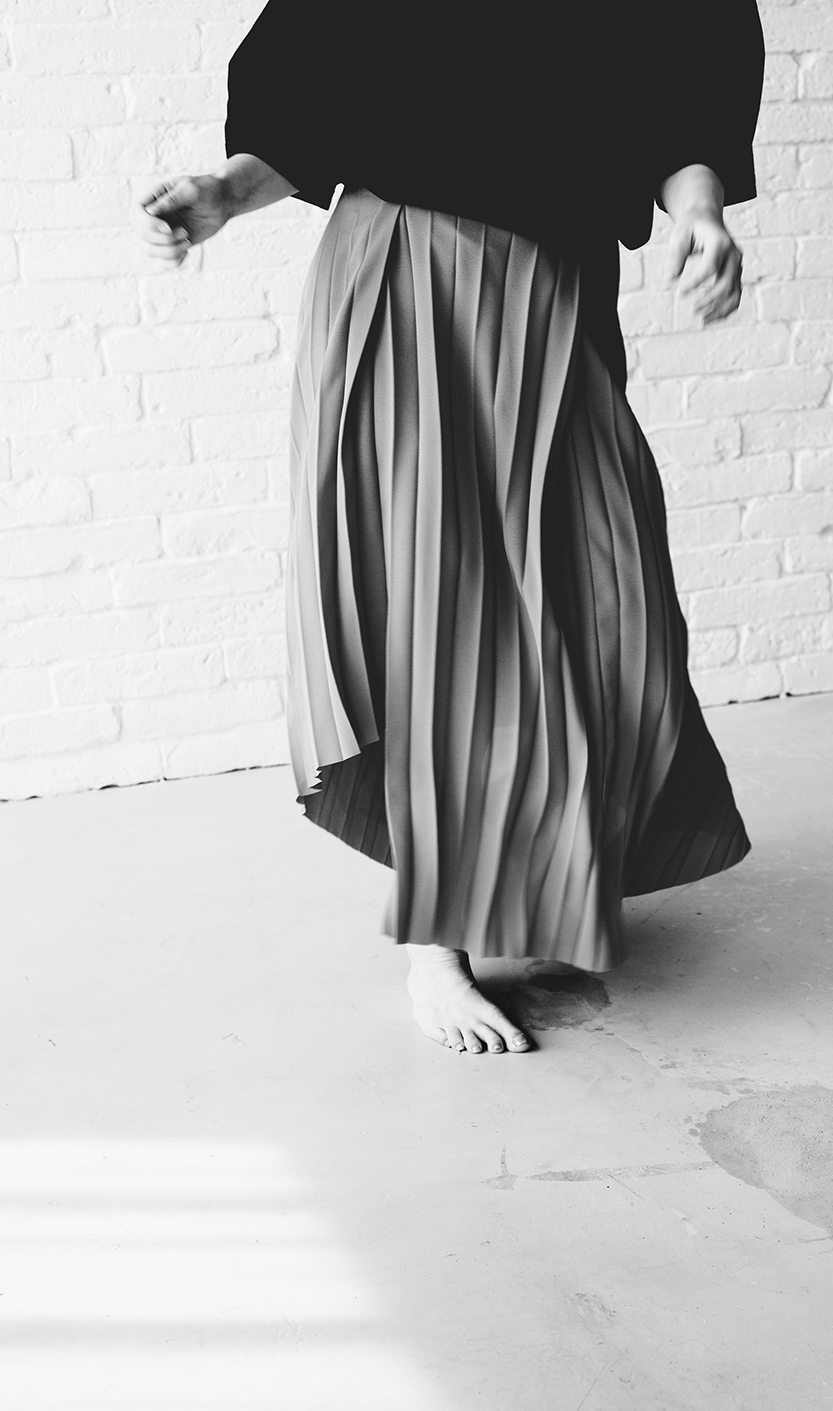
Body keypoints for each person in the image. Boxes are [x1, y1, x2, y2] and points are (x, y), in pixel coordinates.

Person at [134, 0, 765, 1056]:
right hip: (405, 273)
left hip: (560, 281)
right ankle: (437, 940)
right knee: (443, 598)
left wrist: (701, 215)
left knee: (597, 589)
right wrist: (227, 193)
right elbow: (315, 91)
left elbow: (683, 87)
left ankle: (541, 864)